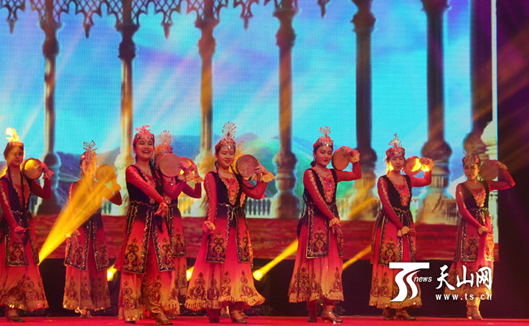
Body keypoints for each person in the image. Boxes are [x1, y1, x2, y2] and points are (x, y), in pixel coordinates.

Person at [185, 122, 272, 324]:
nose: (228, 156)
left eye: (231, 153)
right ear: (216, 155)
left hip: (238, 228)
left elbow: (257, 194)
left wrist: (263, 175)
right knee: (217, 266)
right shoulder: (211, 177)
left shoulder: (238, 178)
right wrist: (209, 223)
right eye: (224, 152)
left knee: (237, 265)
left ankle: (236, 308)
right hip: (219, 226)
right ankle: (214, 306)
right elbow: (213, 202)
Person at [0, 128, 52, 322]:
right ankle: (10, 309)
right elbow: (6, 206)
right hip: (10, 228)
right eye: (14, 154)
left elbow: (46, 195)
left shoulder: (27, 179)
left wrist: (47, 178)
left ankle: (17, 305)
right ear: (6, 157)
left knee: (25, 267)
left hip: (26, 226)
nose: (18, 157)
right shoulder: (4, 181)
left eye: (20, 154)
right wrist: (15, 226)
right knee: (11, 266)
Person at [115, 126, 189, 325]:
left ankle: (157, 308)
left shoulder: (157, 173)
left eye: (150, 143)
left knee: (161, 263)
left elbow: (171, 192)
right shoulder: (132, 170)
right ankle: (132, 308)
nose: (146, 147)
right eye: (142, 143)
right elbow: (146, 188)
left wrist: (185, 173)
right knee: (135, 262)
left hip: (157, 221)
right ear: (134, 148)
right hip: (139, 220)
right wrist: (162, 201)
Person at [288, 126, 361, 323]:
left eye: (329, 153)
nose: (326, 156)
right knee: (312, 265)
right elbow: (318, 199)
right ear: (314, 153)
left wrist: (354, 159)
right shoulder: (309, 174)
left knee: (332, 265)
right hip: (314, 224)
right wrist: (332, 217)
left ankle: (328, 309)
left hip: (331, 225)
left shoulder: (334, 174)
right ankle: (312, 309)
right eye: (322, 152)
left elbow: (357, 175)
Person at [369, 134, 434, 320]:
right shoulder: (383, 180)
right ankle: (387, 305)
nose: (398, 162)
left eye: (400, 158)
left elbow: (427, 181)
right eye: (394, 159)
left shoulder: (408, 179)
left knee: (405, 263)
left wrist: (428, 168)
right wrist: (400, 226)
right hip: (389, 224)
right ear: (389, 161)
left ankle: (402, 307)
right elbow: (387, 205)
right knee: (389, 262)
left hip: (406, 222)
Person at [444, 150, 514, 320]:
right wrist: (478, 226)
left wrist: (503, 169)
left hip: (485, 229)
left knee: (482, 264)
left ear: (478, 168)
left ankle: (474, 306)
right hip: (469, 228)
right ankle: (472, 306)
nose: (469, 171)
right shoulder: (461, 187)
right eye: (466, 168)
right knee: (470, 264)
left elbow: (510, 184)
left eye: (472, 167)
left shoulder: (486, 185)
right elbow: (463, 210)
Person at [63, 141, 123, 317]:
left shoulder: (99, 186)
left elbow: (118, 201)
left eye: (93, 163)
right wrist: (73, 228)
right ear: (81, 166)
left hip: (97, 228)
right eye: (86, 163)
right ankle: (83, 306)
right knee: (81, 266)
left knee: (94, 264)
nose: (90, 167)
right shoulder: (75, 186)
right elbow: (73, 208)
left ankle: (92, 305)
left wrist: (112, 182)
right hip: (80, 228)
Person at [153, 131, 203, 314]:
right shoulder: (157, 179)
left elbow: (197, 194)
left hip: (174, 218)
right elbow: (172, 193)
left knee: (174, 257)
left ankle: (171, 301)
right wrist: (185, 175)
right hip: (160, 219)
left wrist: (194, 173)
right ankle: (157, 301)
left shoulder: (175, 178)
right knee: (161, 257)